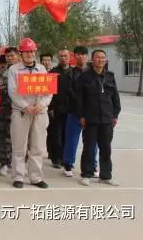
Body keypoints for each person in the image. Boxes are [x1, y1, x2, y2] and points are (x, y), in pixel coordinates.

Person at [8, 38, 52, 189]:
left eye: (32, 51)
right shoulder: (14, 69)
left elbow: (48, 92)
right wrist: (25, 106)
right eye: (26, 51)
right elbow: (13, 91)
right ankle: (18, 176)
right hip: (21, 112)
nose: (29, 54)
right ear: (21, 53)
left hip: (39, 112)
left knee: (37, 146)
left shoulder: (42, 69)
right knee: (19, 146)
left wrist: (42, 105)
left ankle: (36, 177)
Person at [78, 50, 121, 186]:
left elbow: (115, 97)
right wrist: (81, 116)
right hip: (90, 119)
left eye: (103, 57)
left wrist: (115, 115)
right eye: (98, 57)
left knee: (106, 149)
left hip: (107, 119)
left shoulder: (110, 76)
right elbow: (79, 99)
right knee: (89, 148)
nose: (101, 60)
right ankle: (87, 174)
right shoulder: (85, 76)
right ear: (92, 60)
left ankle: (106, 176)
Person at [62, 46, 96, 177]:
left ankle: (93, 165)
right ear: (74, 56)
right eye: (78, 54)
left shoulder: (94, 72)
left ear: (87, 56)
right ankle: (68, 165)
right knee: (72, 140)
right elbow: (69, 93)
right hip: (74, 112)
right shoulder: (69, 74)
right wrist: (80, 110)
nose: (81, 56)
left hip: (91, 113)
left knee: (92, 141)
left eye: (84, 54)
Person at [47, 48, 72, 169]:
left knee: (67, 135)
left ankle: (66, 159)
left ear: (69, 57)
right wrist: (50, 108)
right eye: (61, 56)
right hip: (56, 109)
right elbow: (48, 92)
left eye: (65, 56)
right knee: (55, 135)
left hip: (70, 109)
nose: (63, 58)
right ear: (58, 57)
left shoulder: (74, 72)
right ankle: (56, 158)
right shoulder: (53, 72)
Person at [0, 47, 19, 177]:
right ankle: (4, 163)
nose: (10, 58)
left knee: (21, 138)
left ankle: (19, 163)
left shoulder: (24, 71)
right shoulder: (3, 72)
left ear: (18, 56)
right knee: (5, 136)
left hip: (22, 109)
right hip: (6, 108)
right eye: (8, 56)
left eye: (12, 55)